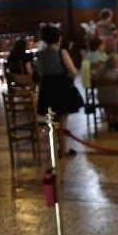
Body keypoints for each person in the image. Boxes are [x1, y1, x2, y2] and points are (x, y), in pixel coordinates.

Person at [34, 25, 83, 156]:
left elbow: (39, 73)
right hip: (62, 86)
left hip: (47, 87)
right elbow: (73, 71)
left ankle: (58, 146)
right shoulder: (61, 52)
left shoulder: (39, 54)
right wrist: (70, 81)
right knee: (63, 119)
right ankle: (64, 148)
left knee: (54, 119)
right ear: (58, 38)